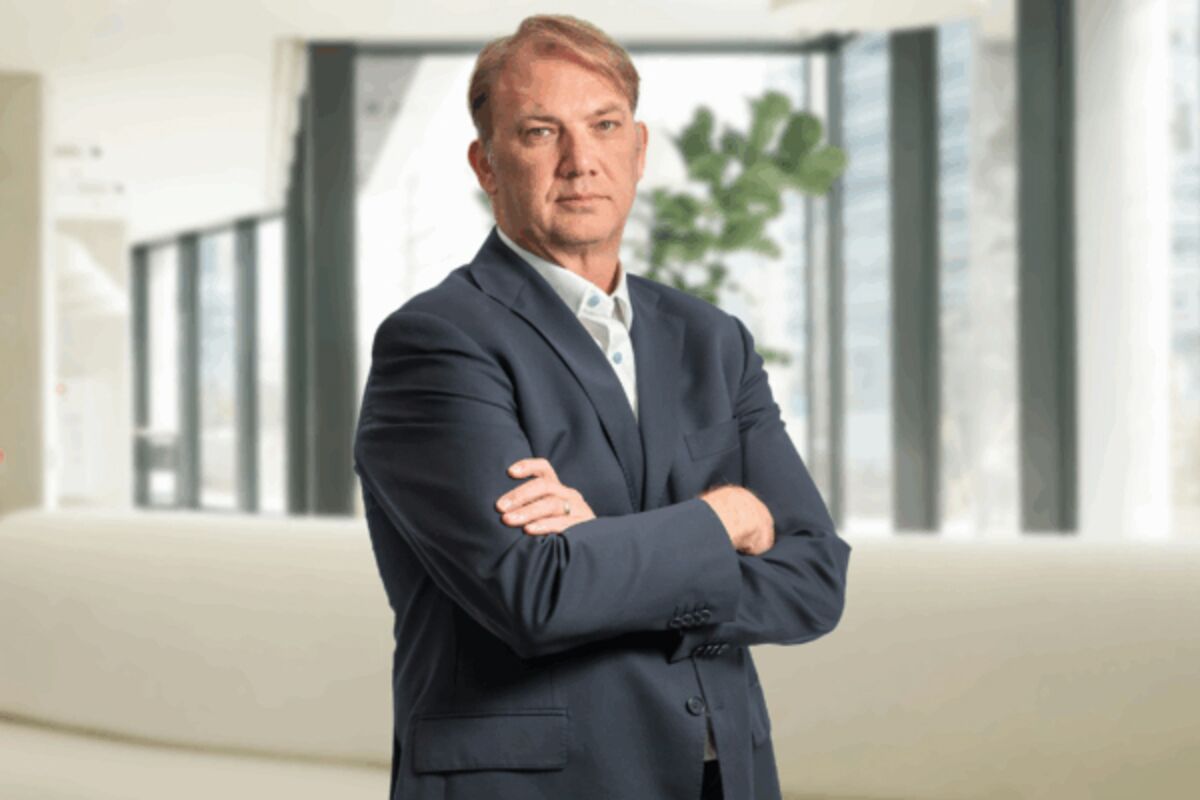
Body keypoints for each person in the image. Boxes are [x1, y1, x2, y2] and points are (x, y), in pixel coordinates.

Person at [353, 14, 851, 800]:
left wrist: (605, 552)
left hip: (726, 777)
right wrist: (724, 519)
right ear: (487, 164)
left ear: (639, 149)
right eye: (539, 131)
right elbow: (537, 594)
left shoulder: (712, 340)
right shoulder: (436, 343)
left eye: (605, 125)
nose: (580, 161)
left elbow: (815, 577)